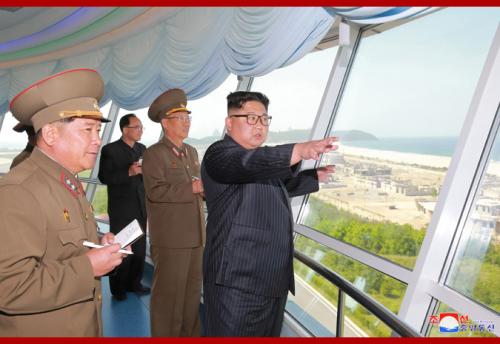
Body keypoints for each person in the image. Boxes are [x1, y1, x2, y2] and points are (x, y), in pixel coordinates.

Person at [0, 68, 128, 336]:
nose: (98, 140)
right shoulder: (18, 191)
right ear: (50, 135)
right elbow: (9, 288)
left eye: (98, 130)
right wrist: (88, 267)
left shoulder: (66, 182)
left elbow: (62, 250)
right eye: (88, 130)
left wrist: (97, 247)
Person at [201, 91, 336, 337]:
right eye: (251, 118)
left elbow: (277, 187)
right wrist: (300, 150)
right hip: (236, 283)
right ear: (229, 122)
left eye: (264, 119)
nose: (260, 125)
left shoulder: (257, 165)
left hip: (270, 281)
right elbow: (250, 164)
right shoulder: (219, 154)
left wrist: (314, 177)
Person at [143, 88, 205, 337]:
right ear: (165, 123)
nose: (186, 122)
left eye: (188, 117)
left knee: (191, 299)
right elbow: (155, 191)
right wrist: (193, 187)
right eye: (180, 118)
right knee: (168, 300)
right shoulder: (154, 154)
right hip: (171, 240)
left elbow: (198, 186)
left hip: (195, 237)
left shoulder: (191, 152)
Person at [98, 114, 149, 301]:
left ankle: (134, 283)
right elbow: (104, 177)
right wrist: (128, 172)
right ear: (125, 129)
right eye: (137, 127)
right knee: (121, 247)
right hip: (122, 207)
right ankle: (118, 289)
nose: (141, 130)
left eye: (142, 127)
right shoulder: (110, 150)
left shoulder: (143, 149)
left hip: (141, 205)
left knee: (140, 247)